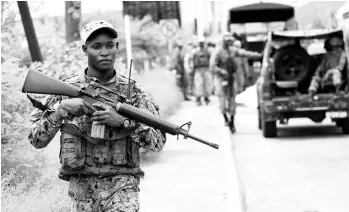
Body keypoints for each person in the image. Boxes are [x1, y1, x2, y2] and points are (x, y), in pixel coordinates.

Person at [28, 20, 166, 212]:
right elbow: (36, 140)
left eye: (110, 45)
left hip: (123, 190)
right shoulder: (65, 90)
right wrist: (60, 110)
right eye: (96, 46)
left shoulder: (133, 93)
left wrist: (125, 123)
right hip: (81, 192)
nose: (104, 52)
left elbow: (157, 143)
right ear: (85, 49)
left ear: (117, 47)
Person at [210, 33, 262, 133]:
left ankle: (232, 122)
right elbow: (212, 66)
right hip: (221, 79)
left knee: (232, 100)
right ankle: (225, 118)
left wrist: (258, 55)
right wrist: (221, 71)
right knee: (222, 99)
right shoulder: (218, 52)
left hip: (231, 78)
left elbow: (244, 53)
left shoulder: (232, 50)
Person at [192, 36, 212, 105]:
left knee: (207, 84)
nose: (201, 44)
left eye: (202, 43)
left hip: (206, 69)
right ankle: (198, 98)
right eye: (200, 43)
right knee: (198, 84)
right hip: (198, 69)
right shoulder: (195, 51)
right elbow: (192, 61)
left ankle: (206, 97)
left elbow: (211, 59)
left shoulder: (207, 51)